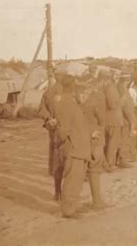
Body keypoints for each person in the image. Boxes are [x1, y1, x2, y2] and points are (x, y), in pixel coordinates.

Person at [53, 74, 92, 218]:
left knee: (77, 179)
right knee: (72, 180)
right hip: (74, 148)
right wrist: (69, 142)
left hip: (80, 147)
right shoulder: (67, 104)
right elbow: (63, 130)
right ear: (74, 90)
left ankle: (74, 206)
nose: (86, 96)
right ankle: (68, 210)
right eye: (84, 93)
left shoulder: (72, 103)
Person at [76, 84, 110, 211]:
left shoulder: (74, 105)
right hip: (94, 139)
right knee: (94, 170)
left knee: (79, 171)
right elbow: (102, 120)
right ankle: (97, 202)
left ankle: (73, 203)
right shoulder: (94, 102)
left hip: (79, 141)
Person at [38, 70, 64, 177]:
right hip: (64, 124)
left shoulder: (47, 92)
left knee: (53, 146)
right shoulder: (68, 92)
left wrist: (48, 118)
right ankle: (62, 170)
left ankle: (53, 170)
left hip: (52, 124)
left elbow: (41, 109)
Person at [101, 70, 125, 171]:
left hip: (110, 119)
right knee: (112, 142)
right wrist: (122, 100)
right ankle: (110, 164)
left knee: (110, 142)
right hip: (114, 119)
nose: (117, 77)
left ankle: (108, 163)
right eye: (116, 76)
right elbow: (112, 104)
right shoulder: (111, 88)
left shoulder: (107, 87)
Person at [117, 72, 136, 167]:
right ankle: (123, 160)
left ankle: (124, 158)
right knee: (124, 140)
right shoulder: (123, 90)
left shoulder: (120, 88)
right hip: (124, 119)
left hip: (123, 118)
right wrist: (131, 121)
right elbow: (126, 108)